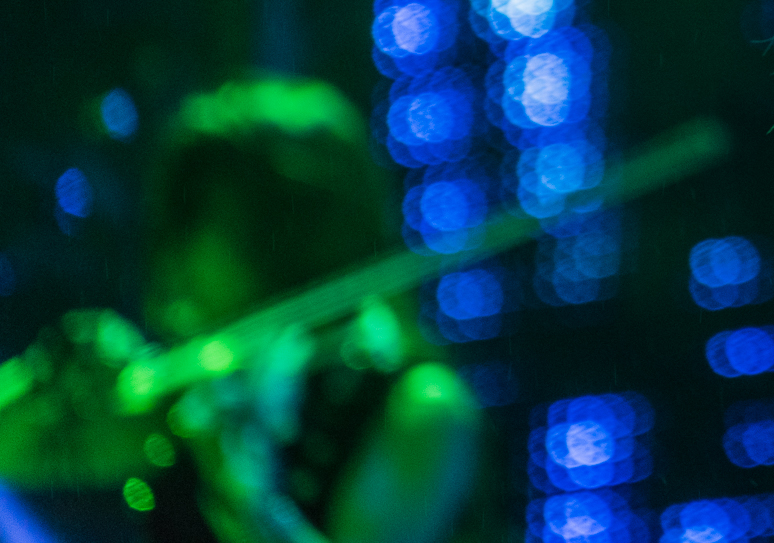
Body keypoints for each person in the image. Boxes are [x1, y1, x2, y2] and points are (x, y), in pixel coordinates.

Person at [0, 78, 481, 543]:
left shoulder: (421, 407)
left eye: (199, 218)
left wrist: (241, 495)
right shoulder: (190, 401)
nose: (178, 263)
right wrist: (47, 384)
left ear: (281, 240)